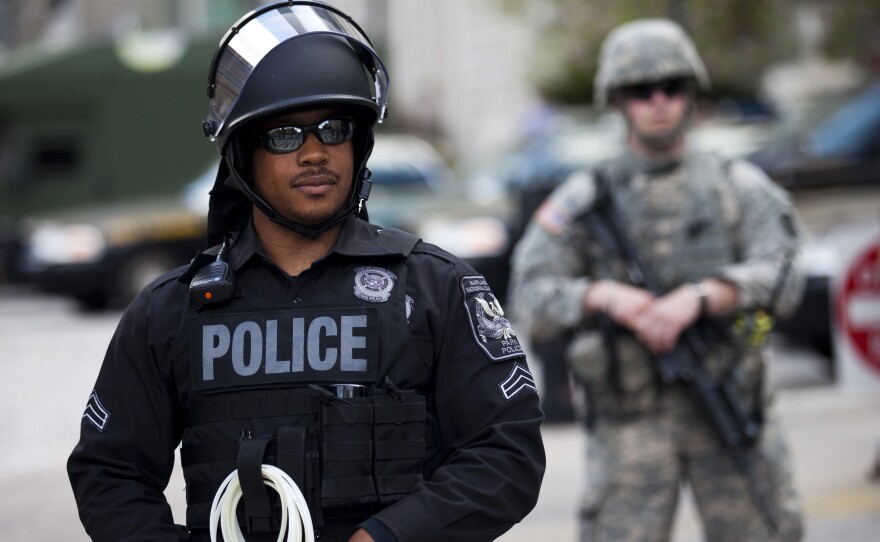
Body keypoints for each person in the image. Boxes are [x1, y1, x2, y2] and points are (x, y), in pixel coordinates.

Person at [67, 3, 545, 541]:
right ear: (244, 156)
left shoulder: (436, 288)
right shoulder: (170, 310)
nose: (315, 153)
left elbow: (507, 454)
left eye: (333, 129)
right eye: (284, 136)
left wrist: (386, 537)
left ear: (358, 144)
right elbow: (110, 473)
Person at [509, 18, 804, 542]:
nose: (659, 101)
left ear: (691, 94)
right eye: (641, 91)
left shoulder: (736, 184)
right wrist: (603, 296)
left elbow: (786, 272)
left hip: (729, 405)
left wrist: (704, 297)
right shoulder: (584, 198)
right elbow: (528, 297)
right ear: (618, 101)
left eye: (672, 87)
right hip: (631, 426)